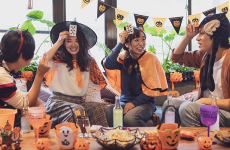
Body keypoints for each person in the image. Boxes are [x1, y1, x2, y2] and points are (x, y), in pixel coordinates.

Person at [162, 12, 230, 127]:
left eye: (202, 34)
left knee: (187, 108)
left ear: (216, 36)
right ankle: (171, 138)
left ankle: (200, 142)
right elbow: (176, 57)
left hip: (225, 113)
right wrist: (188, 36)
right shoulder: (204, 56)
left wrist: (207, 101)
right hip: (206, 107)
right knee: (169, 104)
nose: (197, 38)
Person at [44, 21, 108, 127]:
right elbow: (43, 61)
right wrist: (59, 41)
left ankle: (99, 140)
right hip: (57, 102)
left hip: (79, 102)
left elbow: (93, 90)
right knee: (78, 110)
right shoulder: (57, 58)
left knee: (97, 107)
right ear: (64, 43)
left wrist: (96, 104)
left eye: (77, 41)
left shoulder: (89, 62)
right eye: (69, 41)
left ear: (82, 43)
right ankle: (75, 141)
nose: (73, 45)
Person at [104, 27, 168, 127]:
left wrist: (133, 103)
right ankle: (118, 138)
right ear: (127, 44)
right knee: (109, 111)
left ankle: (145, 140)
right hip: (125, 101)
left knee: (130, 117)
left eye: (143, 39)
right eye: (136, 40)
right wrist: (120, 43)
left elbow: (151, 89)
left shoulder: (150, 58)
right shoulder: (123, 57)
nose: (141, 43)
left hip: (146, 103)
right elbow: (108, 64)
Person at [0, 29, 50, 127]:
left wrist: (39, 103)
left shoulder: (4, 68)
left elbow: (22, 98)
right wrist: (40, 74)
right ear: (22, 55)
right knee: (21, 115)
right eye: (32, 52)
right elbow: (27, 104)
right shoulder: (2, 76)